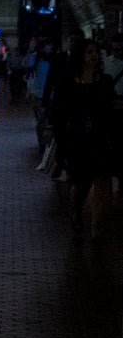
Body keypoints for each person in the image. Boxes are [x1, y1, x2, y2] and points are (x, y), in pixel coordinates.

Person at [50, 39, 115, 239]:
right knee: (81, 183)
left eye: (96, 51)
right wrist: (56, 133)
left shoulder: (105, 81)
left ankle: (97, 228)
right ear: (80, 56)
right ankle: (76, 211)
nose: (93, 55)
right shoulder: (68, 82)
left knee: (102, 180)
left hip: (100, 138)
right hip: (76, 139)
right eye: (89, 52)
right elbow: (59, 112)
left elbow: (109, 108)